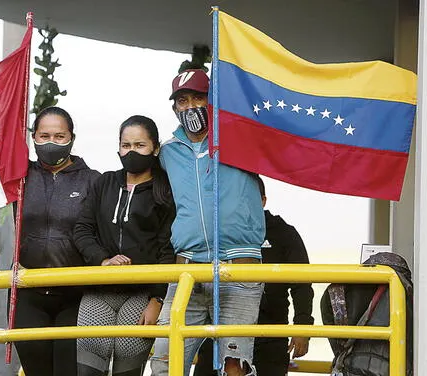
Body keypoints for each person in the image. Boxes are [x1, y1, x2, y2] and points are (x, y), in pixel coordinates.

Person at [149, 69, 266, 376]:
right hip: (188, 269)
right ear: (174, 108)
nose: (190, 107)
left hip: (238, 267)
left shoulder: (241, 137)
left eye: (198, 97)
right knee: (164, 361)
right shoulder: (168, 152)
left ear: (213, 100)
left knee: (234, 367)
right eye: (182, 100)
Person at [73, 115, 176, 376]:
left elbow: (168, 248)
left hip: (141, 295)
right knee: (88, 368)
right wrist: (103, 260)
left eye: (140, 145)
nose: (131, 152)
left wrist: (157, 299)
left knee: (127, 367)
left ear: (155, 148)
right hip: (99, 291)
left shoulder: (165, 191)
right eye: (126, 145)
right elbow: (83, 230)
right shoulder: (104, 183)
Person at [194, 176, 314, 376]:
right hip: (218, 334)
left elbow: (302, 285)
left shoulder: (284, 233)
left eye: (248, 197)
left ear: (263, 201)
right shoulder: (214, 233)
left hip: (270, 336)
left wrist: (303, 328)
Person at [12, 106, 100, 376]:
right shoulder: (19, 177)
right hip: (28, 292)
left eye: (59, 136)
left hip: (75, 296)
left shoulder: (93, 180)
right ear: (33, 137)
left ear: (72, 138)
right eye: (44, 135)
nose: (51, 142)